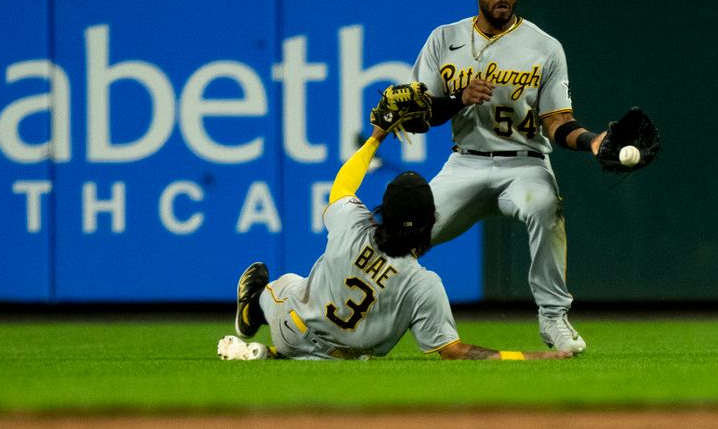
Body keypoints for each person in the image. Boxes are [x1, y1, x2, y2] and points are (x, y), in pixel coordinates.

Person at [217, 125, 572, 361]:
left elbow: (342, 187)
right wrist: (527, 356)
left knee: (283, 282)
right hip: (347, 362)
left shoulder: (354, 223)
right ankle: (270, 351)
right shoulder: (424, 285)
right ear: (433, 219)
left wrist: (376, 137)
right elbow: (455, 350)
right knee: (303, 294)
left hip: (292, 330)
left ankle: (257, 315)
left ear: (383, 212)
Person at [411, 0, 608, 354]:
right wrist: (458, 98)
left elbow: (557, 122)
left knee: (544, 205)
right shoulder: (443, 39)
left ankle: (554, 319)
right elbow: (418, 116)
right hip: (465, 161)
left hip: (525, 163)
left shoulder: (544, 47)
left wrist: (591, 141)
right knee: (403, 233)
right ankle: (360, 326)